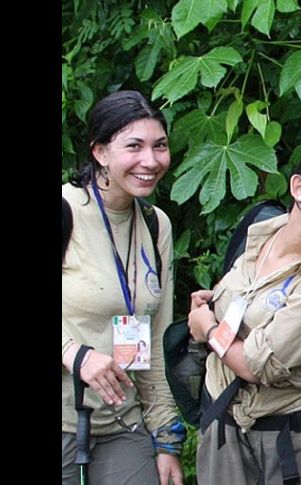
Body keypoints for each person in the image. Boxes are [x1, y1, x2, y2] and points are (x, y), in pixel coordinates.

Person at [187, 144, 301, 485]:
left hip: (295, 440)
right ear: (298, 187)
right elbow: (235, 295)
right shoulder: (259, 231)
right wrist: (209, 303)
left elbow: (257, 365)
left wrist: (208, 329)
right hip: (223, 428)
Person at [62, 90, 184, 485]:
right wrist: (74, 353)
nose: (151, 161)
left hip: (122, 425)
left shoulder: (155, 224)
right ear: (100, 152)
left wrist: (166, 438)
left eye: (159, 146)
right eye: (134, 146)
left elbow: (157, 339)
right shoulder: (66, 209)